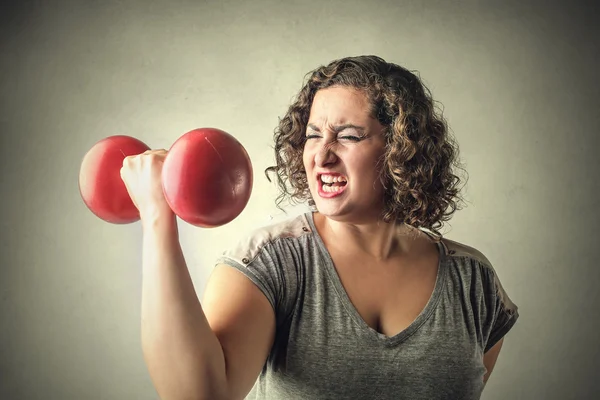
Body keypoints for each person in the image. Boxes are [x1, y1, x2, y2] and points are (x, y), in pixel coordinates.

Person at [120, 55, 520, 400]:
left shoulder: (473, 281)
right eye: (313, 135)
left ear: (403, 148)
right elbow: (198, 394)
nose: (323, 155)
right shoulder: (270, 263)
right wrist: (157, 217)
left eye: (348, 136)